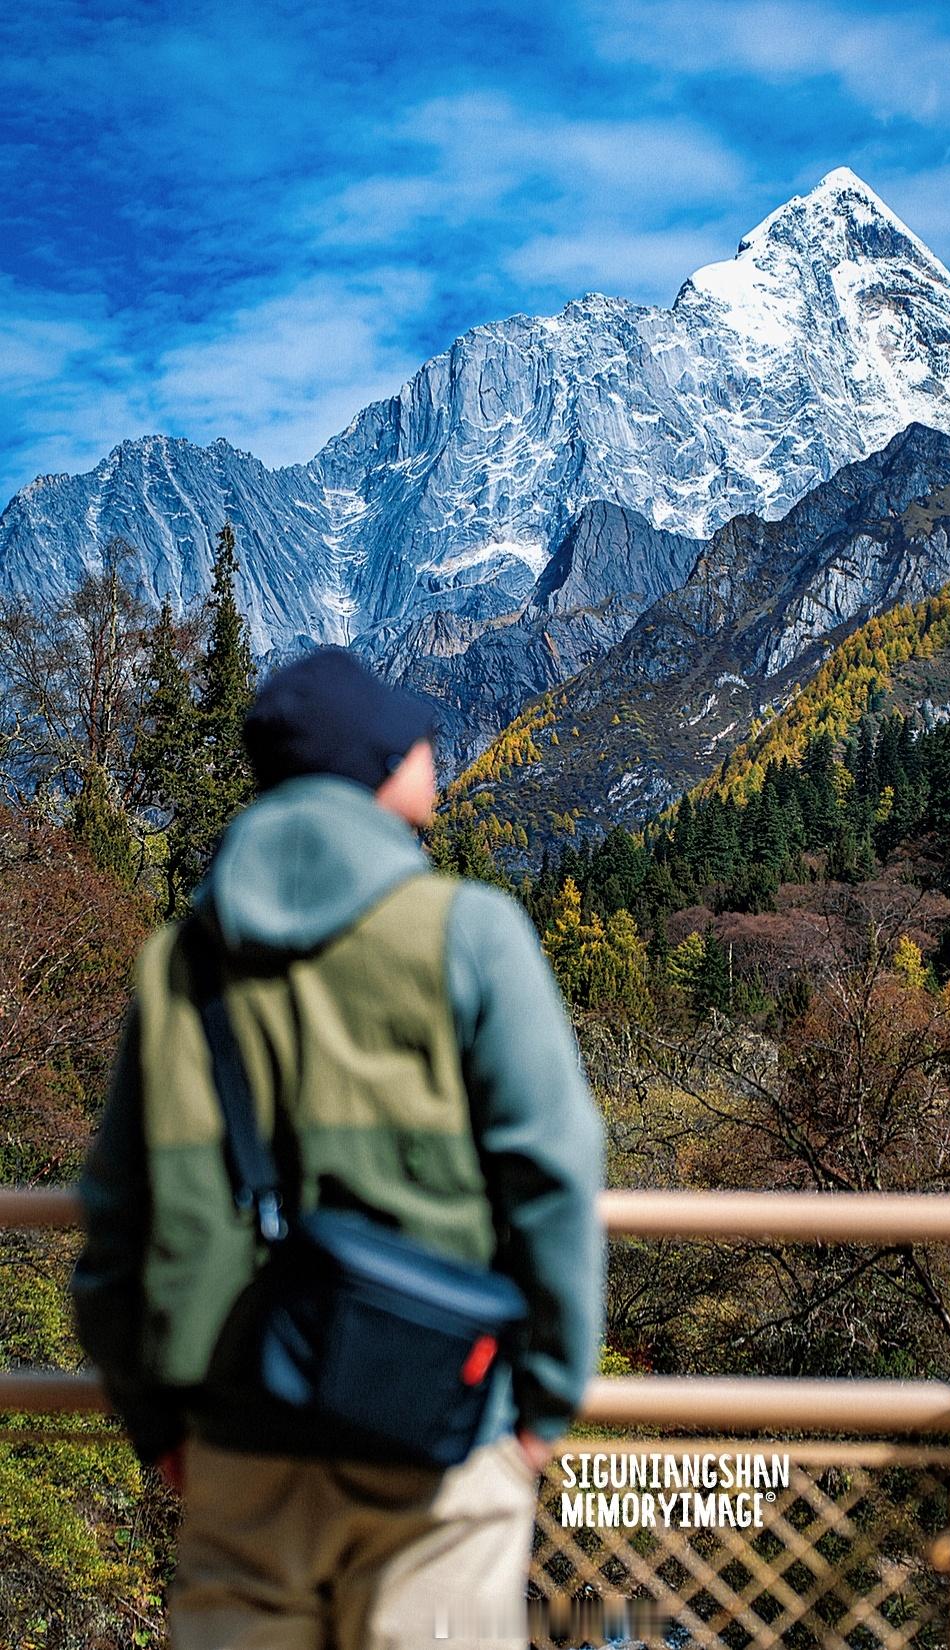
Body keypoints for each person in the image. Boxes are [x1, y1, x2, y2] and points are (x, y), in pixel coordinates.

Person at [71, 647, 606, 1650]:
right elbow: (555, 1177)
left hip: (238, 1434)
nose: (432, 749)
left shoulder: (182, 959)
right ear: (375, 769)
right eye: (413, 736)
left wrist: (159, 1424)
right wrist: (543, 1405)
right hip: (439, 1432)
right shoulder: (470, 933)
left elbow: (114, 1224)